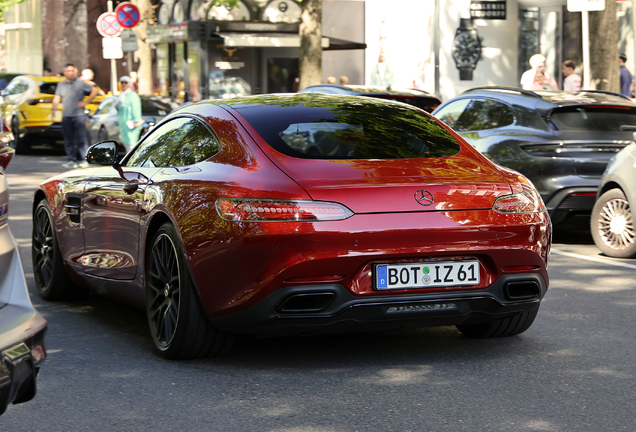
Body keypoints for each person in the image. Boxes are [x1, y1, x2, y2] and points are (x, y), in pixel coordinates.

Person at [52, 64, 99, 168]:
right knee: (68, 139)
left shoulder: (81, 83)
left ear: (75, 72)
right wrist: (53, 111)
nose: (71, 72)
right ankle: (71, 159)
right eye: (68, 71)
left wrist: (86, 102)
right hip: (66, 115)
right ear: (64, 72)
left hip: (78, 115)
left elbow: (95, 90)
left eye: (72, 70)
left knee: (81, 139)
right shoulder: (61, 84)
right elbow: (57, 98)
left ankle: (84, 160)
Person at [116, 76, 143, 153]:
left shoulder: (133, 95)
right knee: (126, 145)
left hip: (131, 124)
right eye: (122, 82)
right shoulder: (122, 95)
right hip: (123, 125)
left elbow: (136, 108)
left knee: (132, 145)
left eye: (126, 82)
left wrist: (137, 121)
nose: (123, 84)